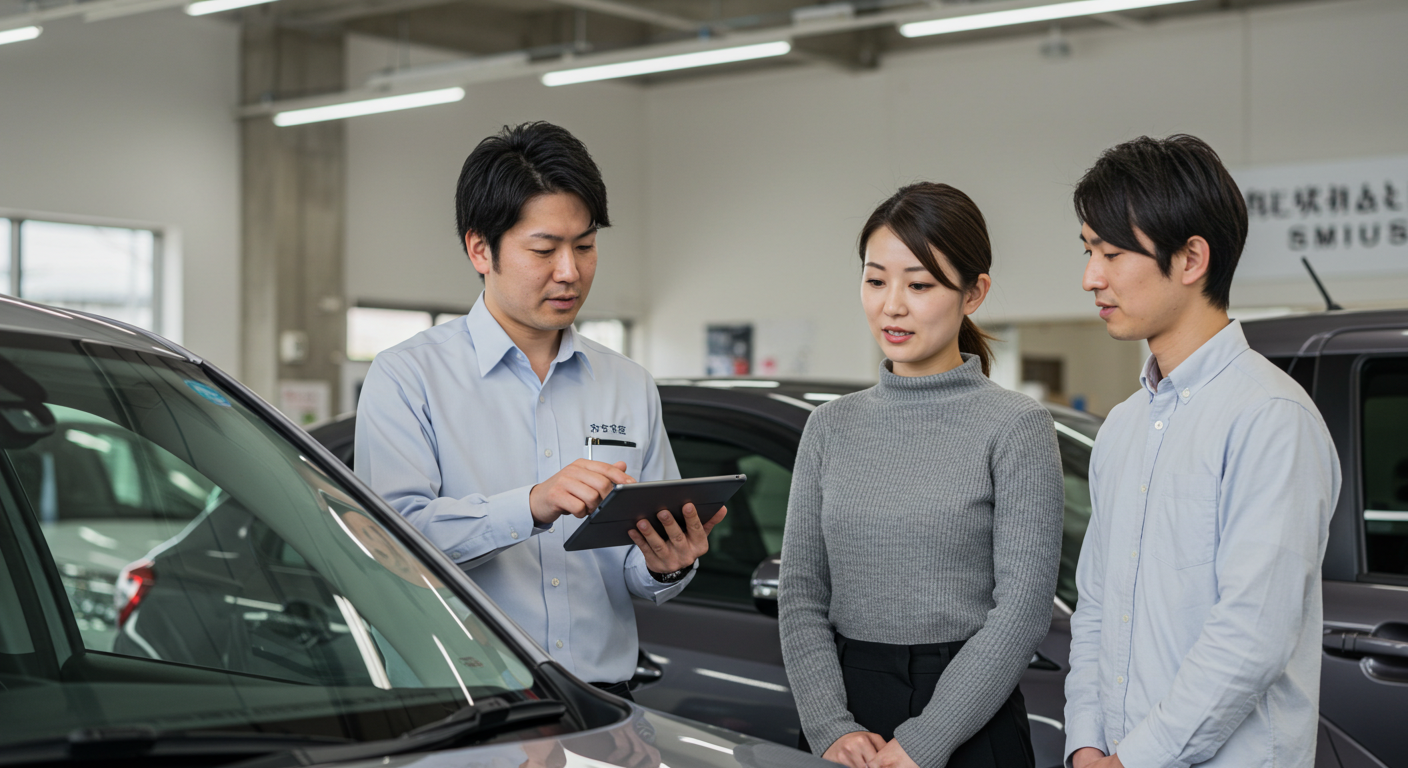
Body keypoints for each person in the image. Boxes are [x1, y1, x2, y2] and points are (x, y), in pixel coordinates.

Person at [354, 121, 724, 698]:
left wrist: (665, 564)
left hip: (604, 700)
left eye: (585, 245)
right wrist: (530, 505)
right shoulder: (409, 376)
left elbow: (630, 572)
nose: (570, 272)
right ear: (481, 249)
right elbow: (391, 543)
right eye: (544, 249)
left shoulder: (628, 384)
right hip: (464, 705)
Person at [1063, 135, 1340, 768]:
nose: (1090, 277)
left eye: (1110, 252)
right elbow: (1096, 608)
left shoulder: (1272, 419)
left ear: (1191, 260)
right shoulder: (1124, 426)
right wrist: (1085, 743)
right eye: (1087, 251)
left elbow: (1252, 635)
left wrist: (1133, 760)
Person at [778, 182, 1065, 768]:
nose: (892, 305)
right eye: (876, 279)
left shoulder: (1015, 426)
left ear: (974, 292)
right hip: (848, 722)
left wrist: (926, 739)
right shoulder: (830, 427)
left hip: (970, 720)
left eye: (920, 284)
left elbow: (1023, 611)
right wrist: (829, 726)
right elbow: (801, 593)